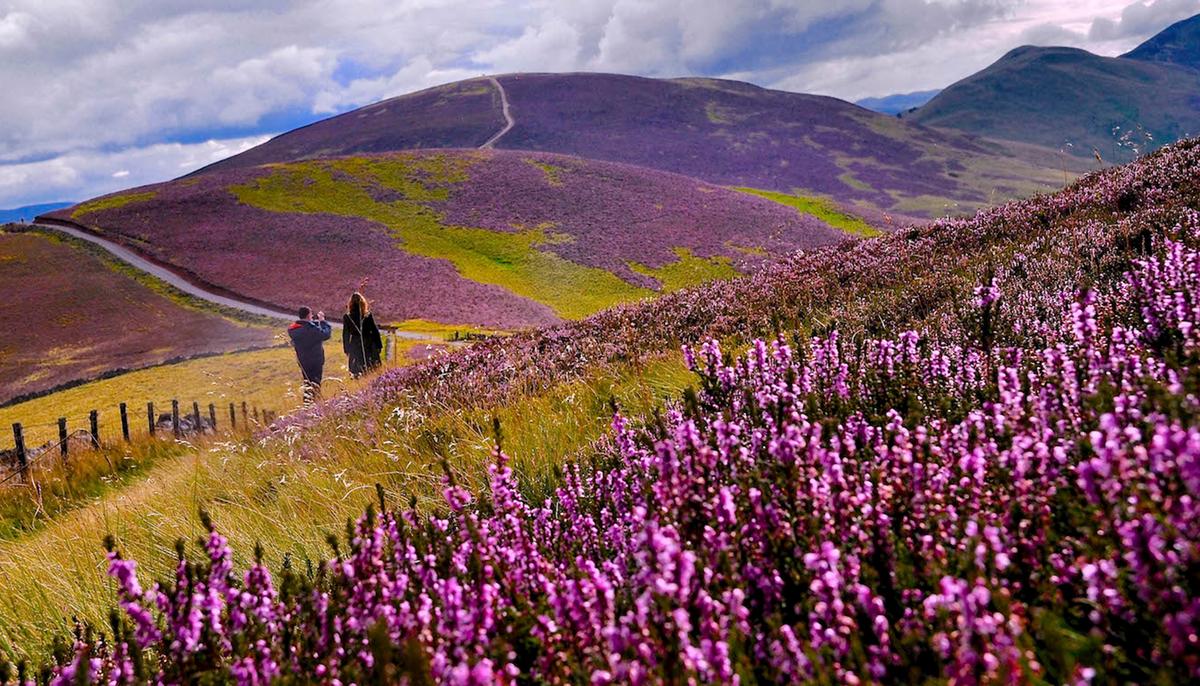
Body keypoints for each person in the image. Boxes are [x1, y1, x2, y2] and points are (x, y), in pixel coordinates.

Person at [288, 306, 332, 403]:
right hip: (315, 360)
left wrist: (315, 322)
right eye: (311, 314)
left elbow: (307, 326)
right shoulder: (311, 330)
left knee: (307, 382)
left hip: (303, 360)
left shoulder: (294, 329)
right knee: (316, 383)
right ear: (308, 315)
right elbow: (325, 334)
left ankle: (307, 403)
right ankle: (315, 403)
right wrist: (323, 321)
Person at [342, 291, 383, 378]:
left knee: (357, 369)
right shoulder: (367, 315)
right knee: (371, 368)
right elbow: (375, 331)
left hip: (355, 345)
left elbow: (346, 334)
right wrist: (379, 345)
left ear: (350, 303)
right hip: (369, 344)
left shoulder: (347, 317)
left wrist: (347, 349)